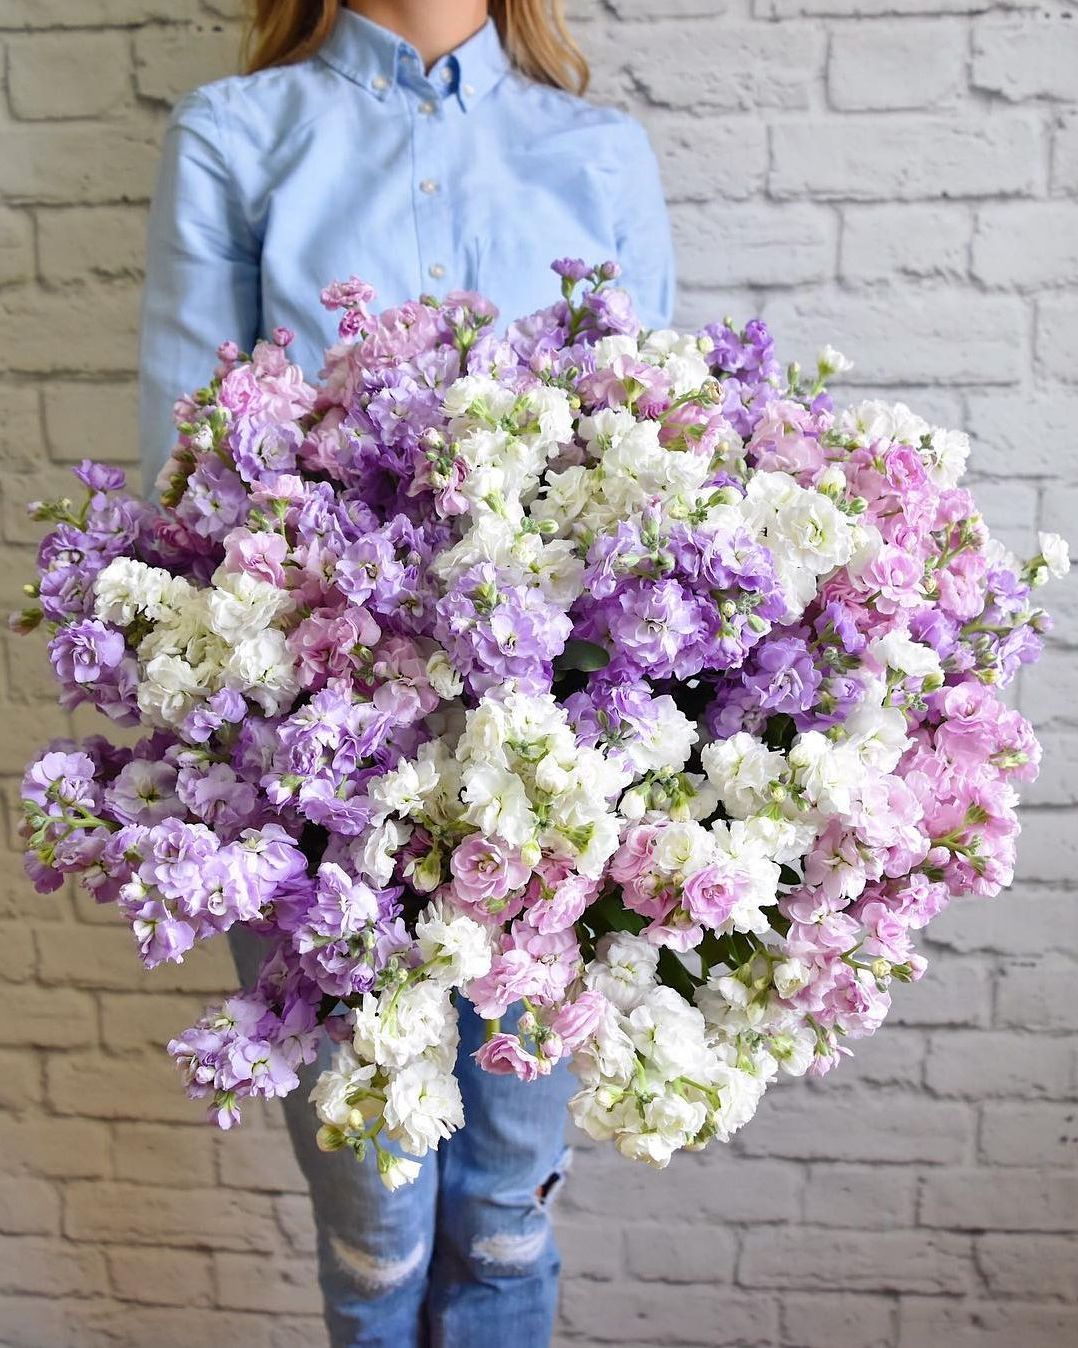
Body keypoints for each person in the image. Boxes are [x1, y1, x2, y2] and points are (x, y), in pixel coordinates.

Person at [137, 3, 676, 1345]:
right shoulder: (238, 138)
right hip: (312, 780)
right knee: (376, 1234)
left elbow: (661, 478)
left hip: (549, 790)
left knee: (504, 1215)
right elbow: (185, 482)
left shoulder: (593, 152)